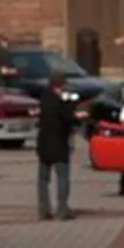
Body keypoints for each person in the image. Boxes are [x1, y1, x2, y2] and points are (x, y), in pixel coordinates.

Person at [36, 74, 80, 220]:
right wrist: (75, 112)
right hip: (59, 144)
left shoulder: (44, 99)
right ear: (60, 86)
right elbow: (68, 119)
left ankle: (44, 209)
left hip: (43, 143)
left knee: (43, 178)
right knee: (63, 177)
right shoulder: (61, 102)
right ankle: (62, 209)